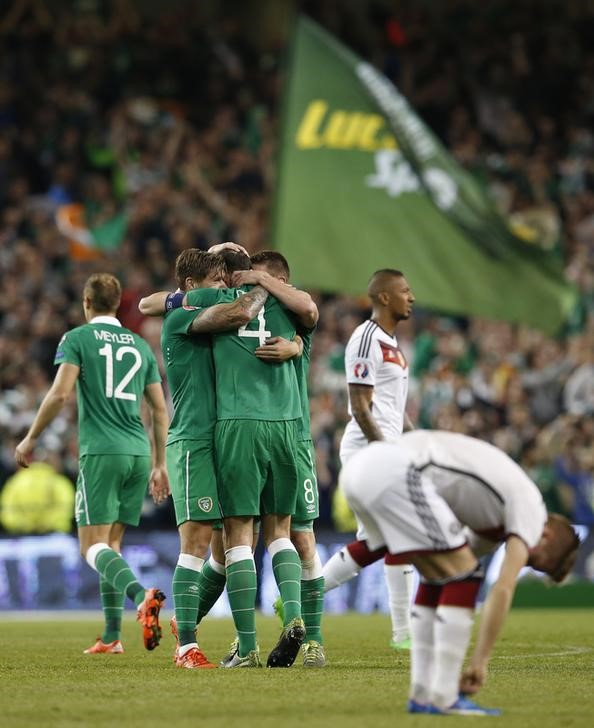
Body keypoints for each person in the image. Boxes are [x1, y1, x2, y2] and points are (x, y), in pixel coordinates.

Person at [341, 430, 579, 716]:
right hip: (396, 471)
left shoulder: (492, 523)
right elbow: (502, 588)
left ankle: (421, 694)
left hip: (362, 470)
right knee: (466, 575)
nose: (525, 560)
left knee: (442, 574)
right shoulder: (533, 510)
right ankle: (445, 696)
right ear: (549, 536)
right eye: (536, 560)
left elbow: (449, 570)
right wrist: (480, 661)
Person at [15, 273, 170, 654]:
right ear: (117, 304)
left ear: (87, 303)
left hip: (102, 451)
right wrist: (159, 463)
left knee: (90, 547)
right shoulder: (139, 345)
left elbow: (60, 394)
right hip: (137, 452)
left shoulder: (77, 339)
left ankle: (141, 595)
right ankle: (112, 636)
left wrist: (31, 437)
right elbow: (159, 409)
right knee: (111, 545)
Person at [157, 246, 278, 669]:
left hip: (226, 437)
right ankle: (186, 646)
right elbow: (238, 314)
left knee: (227, 554)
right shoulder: (180, 318)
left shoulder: (196, 313)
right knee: (193, 544)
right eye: (214, 283)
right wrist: (265, 284)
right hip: (193, 441)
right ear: (191, 287)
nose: (224, 287)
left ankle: (184, 620)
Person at [231, 250, 325, 667]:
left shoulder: (297, 320)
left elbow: (307, 305)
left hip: (294, 439)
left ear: (280, 280)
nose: (253, 283)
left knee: (301, 539)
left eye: (262, 278)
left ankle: (312, 640)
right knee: (241, 539)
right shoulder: (241, 312)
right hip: (251, 432)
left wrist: (262, 280)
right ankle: (247, 640)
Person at [322, 268, 416, 649]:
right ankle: (404, 634)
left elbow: (394, 410)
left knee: (378, 540)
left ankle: (299, 597)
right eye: (405, 291)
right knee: (401, 532)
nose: (412, 297)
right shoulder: (366, 338)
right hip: (366, 448)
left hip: (385, 447)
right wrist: (384, 451)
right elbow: (361, 407)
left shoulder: (394, 345)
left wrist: (417, 443)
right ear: (384, 298)